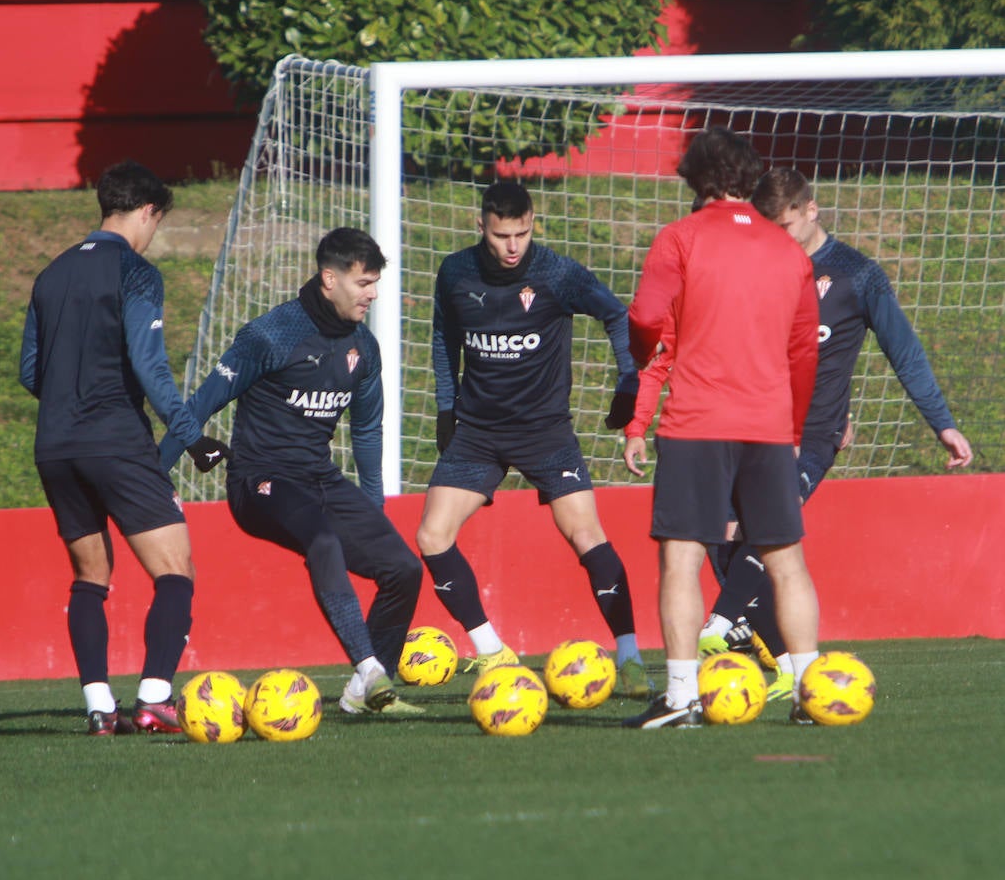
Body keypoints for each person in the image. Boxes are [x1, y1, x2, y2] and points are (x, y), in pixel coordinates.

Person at [687, 167, 974, 678]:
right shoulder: (759, 266)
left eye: (787, 227)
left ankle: (719, 624)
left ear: (811, 211)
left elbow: (903, 352)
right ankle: (783, 668)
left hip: (812, 436)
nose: (778, 239)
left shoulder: (856, 275)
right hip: (749, 424)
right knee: (722, 534)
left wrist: (942, 423)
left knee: (765, 525)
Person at [160, 227, 424, 717]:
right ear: (330, 278)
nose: (373, 293)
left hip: (319, 481)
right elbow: (198, 407)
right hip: (258, 482)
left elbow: (367, 431)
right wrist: (154, 478)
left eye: (375, 282)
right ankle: (370, 668)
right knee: (322, 541)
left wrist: (374, 507)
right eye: (363, 282)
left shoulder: (363, 348)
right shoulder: (271, 335)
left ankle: (364, 695)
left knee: (403, 568)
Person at [416, 180, 653, 698]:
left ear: (532, 224)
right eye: (502, 235)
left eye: (522, 233)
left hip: (546, 433)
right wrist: (445, 407)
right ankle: (492, 650)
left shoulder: (556, 273)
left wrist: (628, 381)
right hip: (477, 433)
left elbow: (617, 315)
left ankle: (632, 656)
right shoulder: (455, 272)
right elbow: (444, 338)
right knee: (432, 536)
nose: (512, 246)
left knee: (586, 535)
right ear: (481, 226)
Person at [19, 160, 229, 736]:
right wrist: (192, 437)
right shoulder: (136, 273)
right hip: (113, 438)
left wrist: (71, 390)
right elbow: (149, 366)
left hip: (55, 445)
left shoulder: (51, 274)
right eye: (155, 221)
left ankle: (98, 707)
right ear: (146, 211)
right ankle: (155, 697)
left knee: (91, 575)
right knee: (175, 569)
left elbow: (30, 372)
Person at [623, 127, 821, 729]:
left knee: (682, 558)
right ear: (751, 179)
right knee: (786, 560)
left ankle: (681, 697)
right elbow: (803, 352)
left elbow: (646, 318)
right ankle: (813, 693)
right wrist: (791, 428)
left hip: (697, 423)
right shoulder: (789, 251)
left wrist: (641, 359)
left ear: (695, 179)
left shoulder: (680, 237)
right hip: (768, 425)